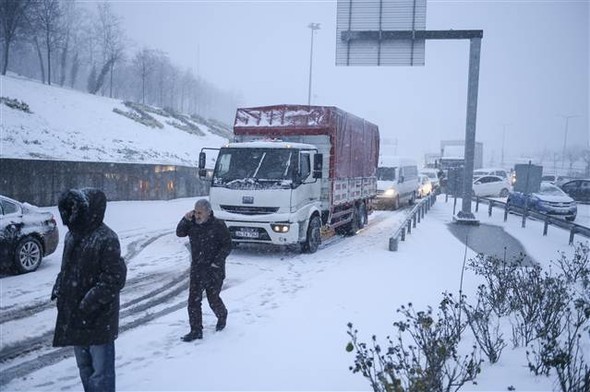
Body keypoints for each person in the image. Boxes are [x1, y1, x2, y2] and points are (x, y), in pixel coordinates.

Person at [51, 188, 127, 392]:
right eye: (72, 207)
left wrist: (86, 304)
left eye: (77, 206)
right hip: (76, 317)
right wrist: (60, 285)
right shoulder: (71, 236)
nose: (73, 211)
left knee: (100, 373)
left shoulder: (106, 238)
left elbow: (113, 279)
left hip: (98, 319)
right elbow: (67, 268)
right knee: (84, 368)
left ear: (91, 209)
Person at [176, 198, 232, 342]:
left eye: (200, 212)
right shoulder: (192, 223)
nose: (197, 215)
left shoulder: (219, 225)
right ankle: (196, 331)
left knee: (213, 299)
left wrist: (217, 262)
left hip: (214, 270)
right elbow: (180, 233)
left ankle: (222, 315)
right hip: (197, 269)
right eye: (195, 212)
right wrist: (185, 219)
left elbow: (227, 246)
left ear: (208, 212)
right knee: (193, 301)